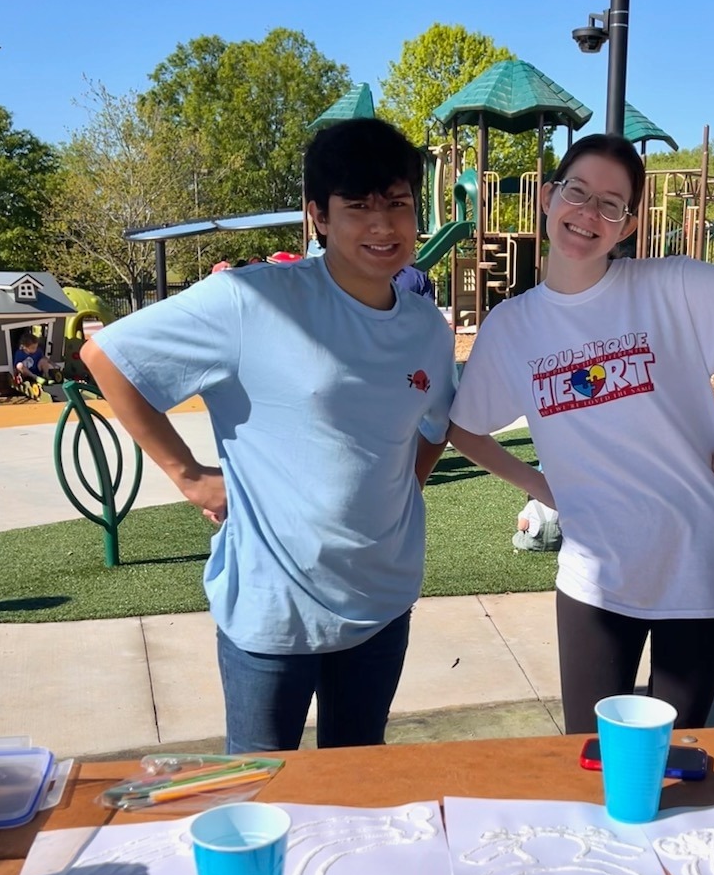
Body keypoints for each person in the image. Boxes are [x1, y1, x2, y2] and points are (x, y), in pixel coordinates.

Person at [82, 118, 457, 754]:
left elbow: (434, 426)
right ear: (318, 215)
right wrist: (190, 476)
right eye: (358, 206)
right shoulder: (253, 300)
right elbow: (109, 358)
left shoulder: (425, 324)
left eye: (398, 205)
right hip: (273, 609)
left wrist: (401, 492)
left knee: (357, 783)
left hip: (383, 599)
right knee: (259, 798)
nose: (383, 226)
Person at [447, 133, 714, 733]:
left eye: (611, 204)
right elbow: (465, 430)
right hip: (596, 572)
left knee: (673, 760)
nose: (588, 214)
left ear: (627, 226)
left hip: (701, 559)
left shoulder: (670, 286)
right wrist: (548, 489)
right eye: (577, 193)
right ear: (550, 198)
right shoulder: (511, 327)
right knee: (591, 756)